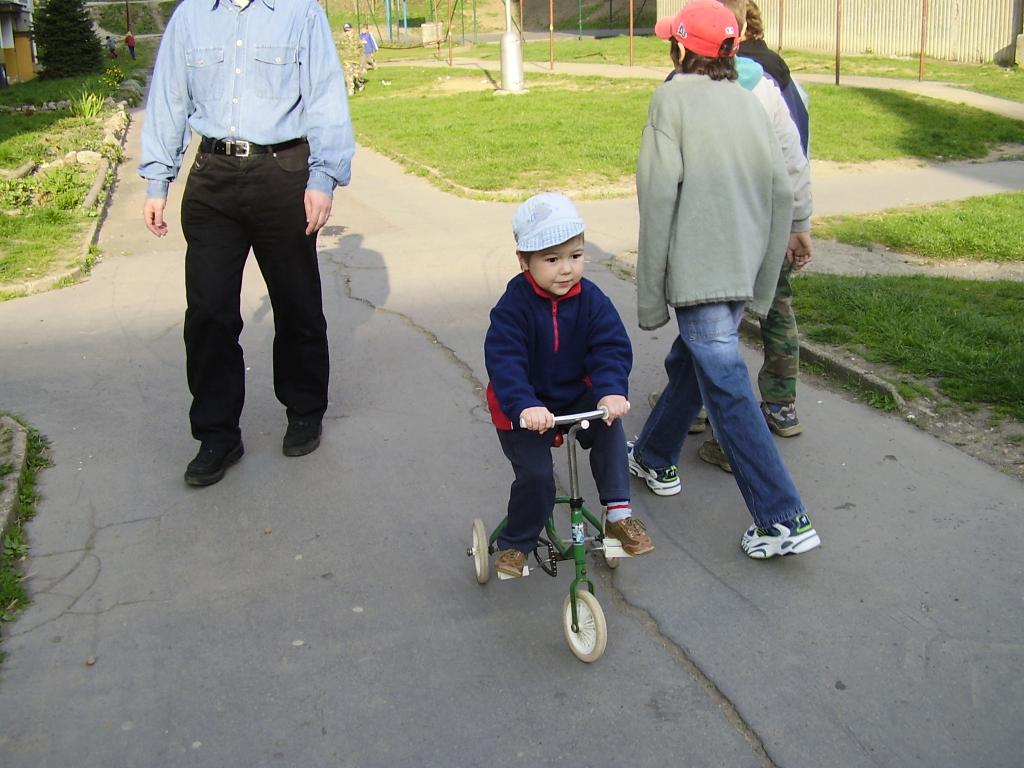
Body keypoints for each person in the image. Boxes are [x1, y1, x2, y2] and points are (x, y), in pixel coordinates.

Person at [629, 0, 821, 559]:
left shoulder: (670, 99)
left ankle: (782, 518)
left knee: (728, 386)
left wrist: (650, 294)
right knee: (700, 361)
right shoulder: (748, 101)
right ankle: (654, 456)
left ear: (681, 48)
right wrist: (766, 269)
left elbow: (657, 195)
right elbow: (781, 188)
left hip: (700, 270)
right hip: (740, 267)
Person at [139, 0, 355, 487]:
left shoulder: (300, 13)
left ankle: (304, 411)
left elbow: (325, 97)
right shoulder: (191, 16)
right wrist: (157, 180)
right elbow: (169, 98)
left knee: (296, 304)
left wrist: (323, 177)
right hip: (212, 177)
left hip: (283, 173)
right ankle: (217, 435)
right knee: (208, 313)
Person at [485, 192, 653, 578]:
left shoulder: (592, 300)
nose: (566, 269)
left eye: (575, 256)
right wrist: (524, 404)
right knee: (537, 477)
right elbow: (505, 361)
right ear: (524, 261)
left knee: (609, 428)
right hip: (524, 407)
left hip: (574, 396)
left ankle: (619, 514)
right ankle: (517, 542)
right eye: (552, 259)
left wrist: (611, 390)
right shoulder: (513, 307)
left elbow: (610, 347)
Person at [691, 0, 815, 473]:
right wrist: (799, 223)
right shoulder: (774, 76)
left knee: (711, 325)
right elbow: (795, 155)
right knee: (777, 310)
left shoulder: (690, 83)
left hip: (717, 231)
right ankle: (781, 404)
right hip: (769, 222)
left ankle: (708, 416)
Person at [340, 23, 366, 96]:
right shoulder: (343, 40)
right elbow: (339, 48)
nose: (347, 33)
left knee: (358, 76)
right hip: (347, 60)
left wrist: (362, 44)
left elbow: (361, 48)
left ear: (352, 30)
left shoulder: (356, 39)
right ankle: (350, 91)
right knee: (349, 76)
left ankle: (360, 84)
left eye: (349, 30)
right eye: (346, 31)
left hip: (356, 60)